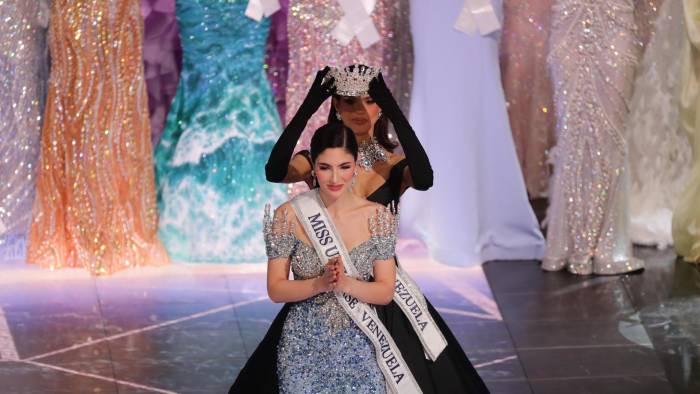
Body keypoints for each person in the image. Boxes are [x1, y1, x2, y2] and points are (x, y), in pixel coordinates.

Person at [232, 65, 489, 393]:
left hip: (383, 296)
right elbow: (275, 170)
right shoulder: (318, 162)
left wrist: (392, 106)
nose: (361, 111)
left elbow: (424, 178)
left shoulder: (393, 166)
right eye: (350, 102)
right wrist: (311, 103)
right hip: (319, 296)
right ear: (336, 106)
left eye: (370, 101)